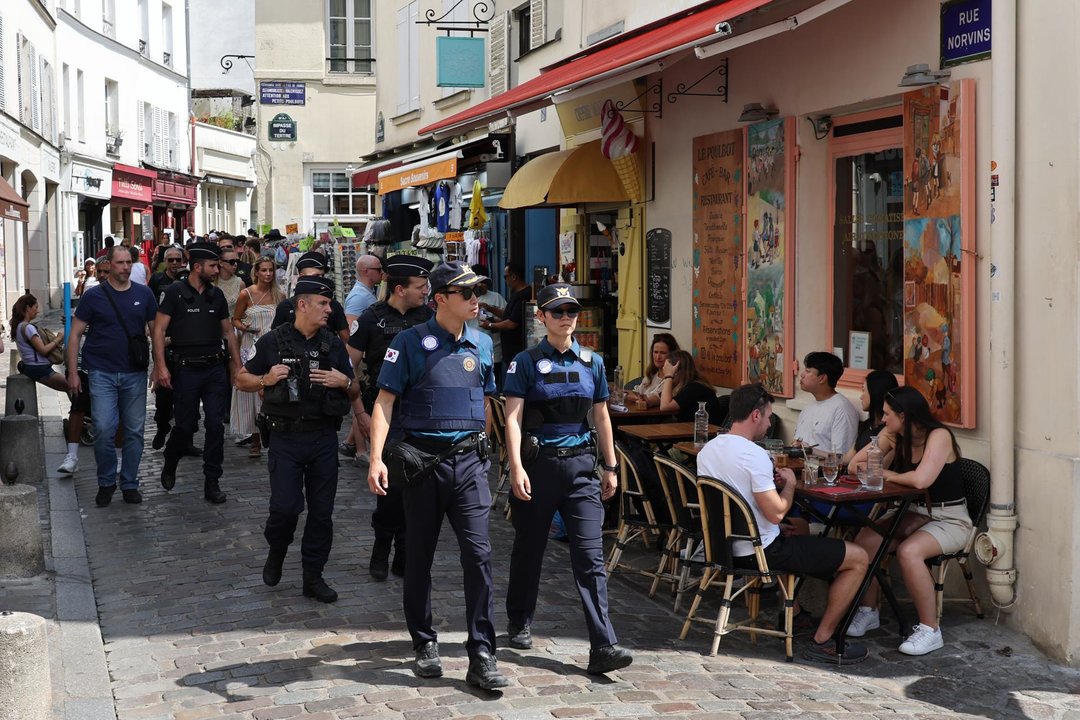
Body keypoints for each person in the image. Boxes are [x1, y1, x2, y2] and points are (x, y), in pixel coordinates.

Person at [366, 261, 508, 691]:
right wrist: (376, 459)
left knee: (479, 557)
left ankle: (482, 651)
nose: (474, 301)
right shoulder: (409, 343)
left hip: (468, 466)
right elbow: (384, 403)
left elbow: (485, 401)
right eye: (466, 294)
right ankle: (424, 642)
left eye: (476, 293)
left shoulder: (482, 344)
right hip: (422, 464)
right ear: (440, 298)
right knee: (418, 558)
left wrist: (488, 450)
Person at [502, 283, 633, 675]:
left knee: (591, 559)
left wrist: (610, 465)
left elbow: (602, 415)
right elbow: (512, 417)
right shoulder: (524, 362)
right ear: (541, 317)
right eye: (557, 312)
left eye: (571, 311)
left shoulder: (592, 361)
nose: (565, 318)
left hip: (580, 470)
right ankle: (519, 618)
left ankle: (603, 645)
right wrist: (516, 467)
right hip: (539, 466)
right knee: (530, 549)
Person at [696, 383, 870, 665]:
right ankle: (824, 640)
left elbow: (739, 503)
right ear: (754, 415)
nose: (768, 424)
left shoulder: (709, 449)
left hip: (724, 547)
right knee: (859, 557)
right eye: (766, 417)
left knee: (796, 526)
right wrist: (788, 486)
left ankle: (797, 614)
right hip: (761, 553)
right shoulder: (755, 455)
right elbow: (776, 513)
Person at [235, 275, 358, 603]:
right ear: (302, 305)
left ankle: (313, 576)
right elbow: (241, 378)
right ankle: (277, 549)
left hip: (322, 437)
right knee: (286, 508)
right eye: (323, 304)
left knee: (322, 512)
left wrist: (343, 381)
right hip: (285, 438)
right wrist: (265, 378)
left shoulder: (332, 344)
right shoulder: (273, 342)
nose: (329, 310)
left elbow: (355, 387)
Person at [846, 385, 972, 655]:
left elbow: (920, 480)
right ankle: (869, 610)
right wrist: (883, 451)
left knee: (909, 552)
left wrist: (883, 473)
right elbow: (854, 467)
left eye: (887, 414)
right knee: (865, 541)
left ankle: (930, 629)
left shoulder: (939, 436)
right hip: (912, 512)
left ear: (904, 416)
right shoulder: (893, 434)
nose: (882, 420)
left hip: (948, 518)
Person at [346, 255, 434, 580]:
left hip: (422, 416)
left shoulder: (430, 319)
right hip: (387, 415)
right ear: (400, 288)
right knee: (390, 489)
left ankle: (406, 553)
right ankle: (382, 546)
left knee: (419, 490)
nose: (426, 292)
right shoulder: (371, 318)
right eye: (420, 287)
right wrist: (360, 413)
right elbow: (349, 365)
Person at [66, 246, 158, 507]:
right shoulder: (94, 296)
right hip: (101, 372)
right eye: (120, 263)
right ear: (110, 265)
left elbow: (156, 331)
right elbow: (75, 335)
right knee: (104, 428)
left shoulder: (144, 294)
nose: (125, 267)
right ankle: (106, 481)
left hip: (134, 373)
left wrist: (160, 365)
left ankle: (129, 482)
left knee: (134, 431)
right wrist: (73, 372)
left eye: (130, 262)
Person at [153, 242, 241, 504]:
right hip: (185, 369)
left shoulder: (217, 296)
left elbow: (228, 332)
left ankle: (212, 480)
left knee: (215, 426)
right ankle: (171, 458)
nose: (218, 270)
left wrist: (237, 366)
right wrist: (160, 367)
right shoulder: (174, 293)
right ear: (198, 267)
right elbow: (158, 330)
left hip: (214, 367)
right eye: (213, 266)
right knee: (185, 425)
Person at [10, 294, 86, 475]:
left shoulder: (19, 326)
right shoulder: (27, 328)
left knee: (72, 388)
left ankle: (80, 419)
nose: (37, 310)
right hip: (40, 369)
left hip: (33, 368)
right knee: (73, 386)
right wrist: (58, 338)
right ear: (27, 308)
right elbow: (43, 350)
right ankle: (79, 420)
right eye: (35, 307)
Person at [231, 257, 283, 458]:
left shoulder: (280, 295)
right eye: (264, 270)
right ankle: (254, 438)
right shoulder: (247, 294)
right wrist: (246, 328)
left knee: (271, 389)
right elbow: (235, 319)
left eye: (271, 270)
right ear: (256, 272)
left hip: (272, 346)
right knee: (251, 392)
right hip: (250, 344)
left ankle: (272, 435)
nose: (268, 274)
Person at [147, 245, 197, 452]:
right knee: (164, 397)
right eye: (171, 260)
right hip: (166, 346)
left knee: (190, 399)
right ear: (165, 262)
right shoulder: (158, 281)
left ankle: (187, 442)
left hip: (188, 349)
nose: (175, 264)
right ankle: (162, 425)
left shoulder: (194, 285)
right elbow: (151, 312)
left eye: (179, 260)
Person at [271, 252, 350, 345]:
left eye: (322, 276)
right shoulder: (285, 307)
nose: (320, 280)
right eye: (316, 276)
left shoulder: (333, 306)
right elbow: (274, 341)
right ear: (302, 276)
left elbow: (346, 340)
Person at [793, 351, 859, 455]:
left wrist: (811, 451)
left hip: (822, 469)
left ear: (822, 378)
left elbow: (841, 457)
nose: (801, 375)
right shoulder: (808, 407)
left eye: (808, 371)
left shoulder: (842, 409)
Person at [480, 262, 530, 366]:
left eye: (505, 277)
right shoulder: (516, 293)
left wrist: (490, 325)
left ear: (513, 277)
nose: (505, 280)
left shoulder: (524, 295)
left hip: (517, 350)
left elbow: (512, 323)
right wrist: (489, 307)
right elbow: (508, 315)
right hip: (510, 351)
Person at [655, 349, 723, 422]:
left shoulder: (695, 387)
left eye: (666, 369)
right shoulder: (682, 385)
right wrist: (645, 399)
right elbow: (660, 399)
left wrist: (669, 376)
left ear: (676, 371)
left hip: (704, 431)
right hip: (689, 428)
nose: (664, 372)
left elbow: (665, 406)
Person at [466, 264, 507, 380]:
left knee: (492, 382)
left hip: (494, 350)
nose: (481, 285)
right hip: (470, 350)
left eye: (484, 282)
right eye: (478, 282)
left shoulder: (496, 297)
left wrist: (491, 321)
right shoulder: (465, 299)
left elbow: (508, 319)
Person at [626, 333, 680, 407]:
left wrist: (635, 396)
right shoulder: (652, 373)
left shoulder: (673, 379)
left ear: (672, 355)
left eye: (662, 353)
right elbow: (637, 392)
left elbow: (650, 400)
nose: (658, 357)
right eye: (655, 352)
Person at [344, 255, 384, 328]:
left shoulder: (367, 292)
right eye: (379, 269)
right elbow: (350, 330)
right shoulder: (358, 297)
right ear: (366, 271)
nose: (382, 272)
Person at [214, 246, 247, 317]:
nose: (235, 264)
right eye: (232, 262)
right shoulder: (211, 282)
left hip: (233, 325)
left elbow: (243, 311)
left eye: (236, 261)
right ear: (220, 263)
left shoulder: (240, 283)